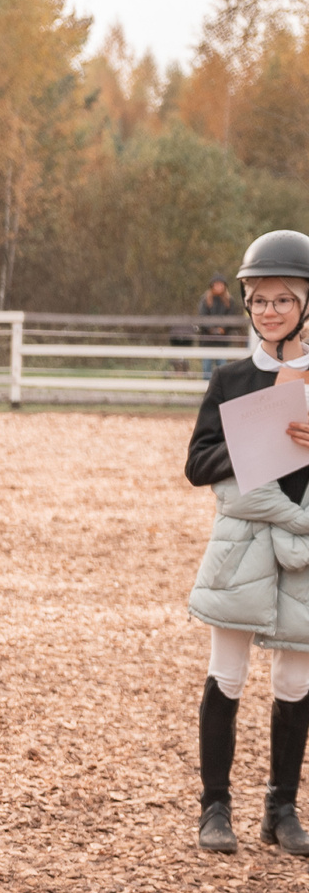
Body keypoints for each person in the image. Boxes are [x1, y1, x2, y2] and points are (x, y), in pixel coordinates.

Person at [184, 230, 309, 855]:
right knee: (226, 674)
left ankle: (282, 808)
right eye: (258, 300)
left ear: (305, 305)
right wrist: (253, 438)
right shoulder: (231, 379)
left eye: (282, 300)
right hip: (243, 545)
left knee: (295, 679)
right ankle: (215, 806)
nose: (268, 311)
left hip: (303, 550)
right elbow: (197, 462)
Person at [200, 276, 240, 374]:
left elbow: (231, 317)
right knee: (207, 368)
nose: (218, 287)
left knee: (222, 368)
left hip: (223, 340)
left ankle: (221, 389)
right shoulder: (205, 300)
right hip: (207, 340)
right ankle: (206, 388)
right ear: (212, 286)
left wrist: (223, 329)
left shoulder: (229, 301)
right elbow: (202, 317)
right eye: (216, 284)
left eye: (221, 284)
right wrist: (211, 329)